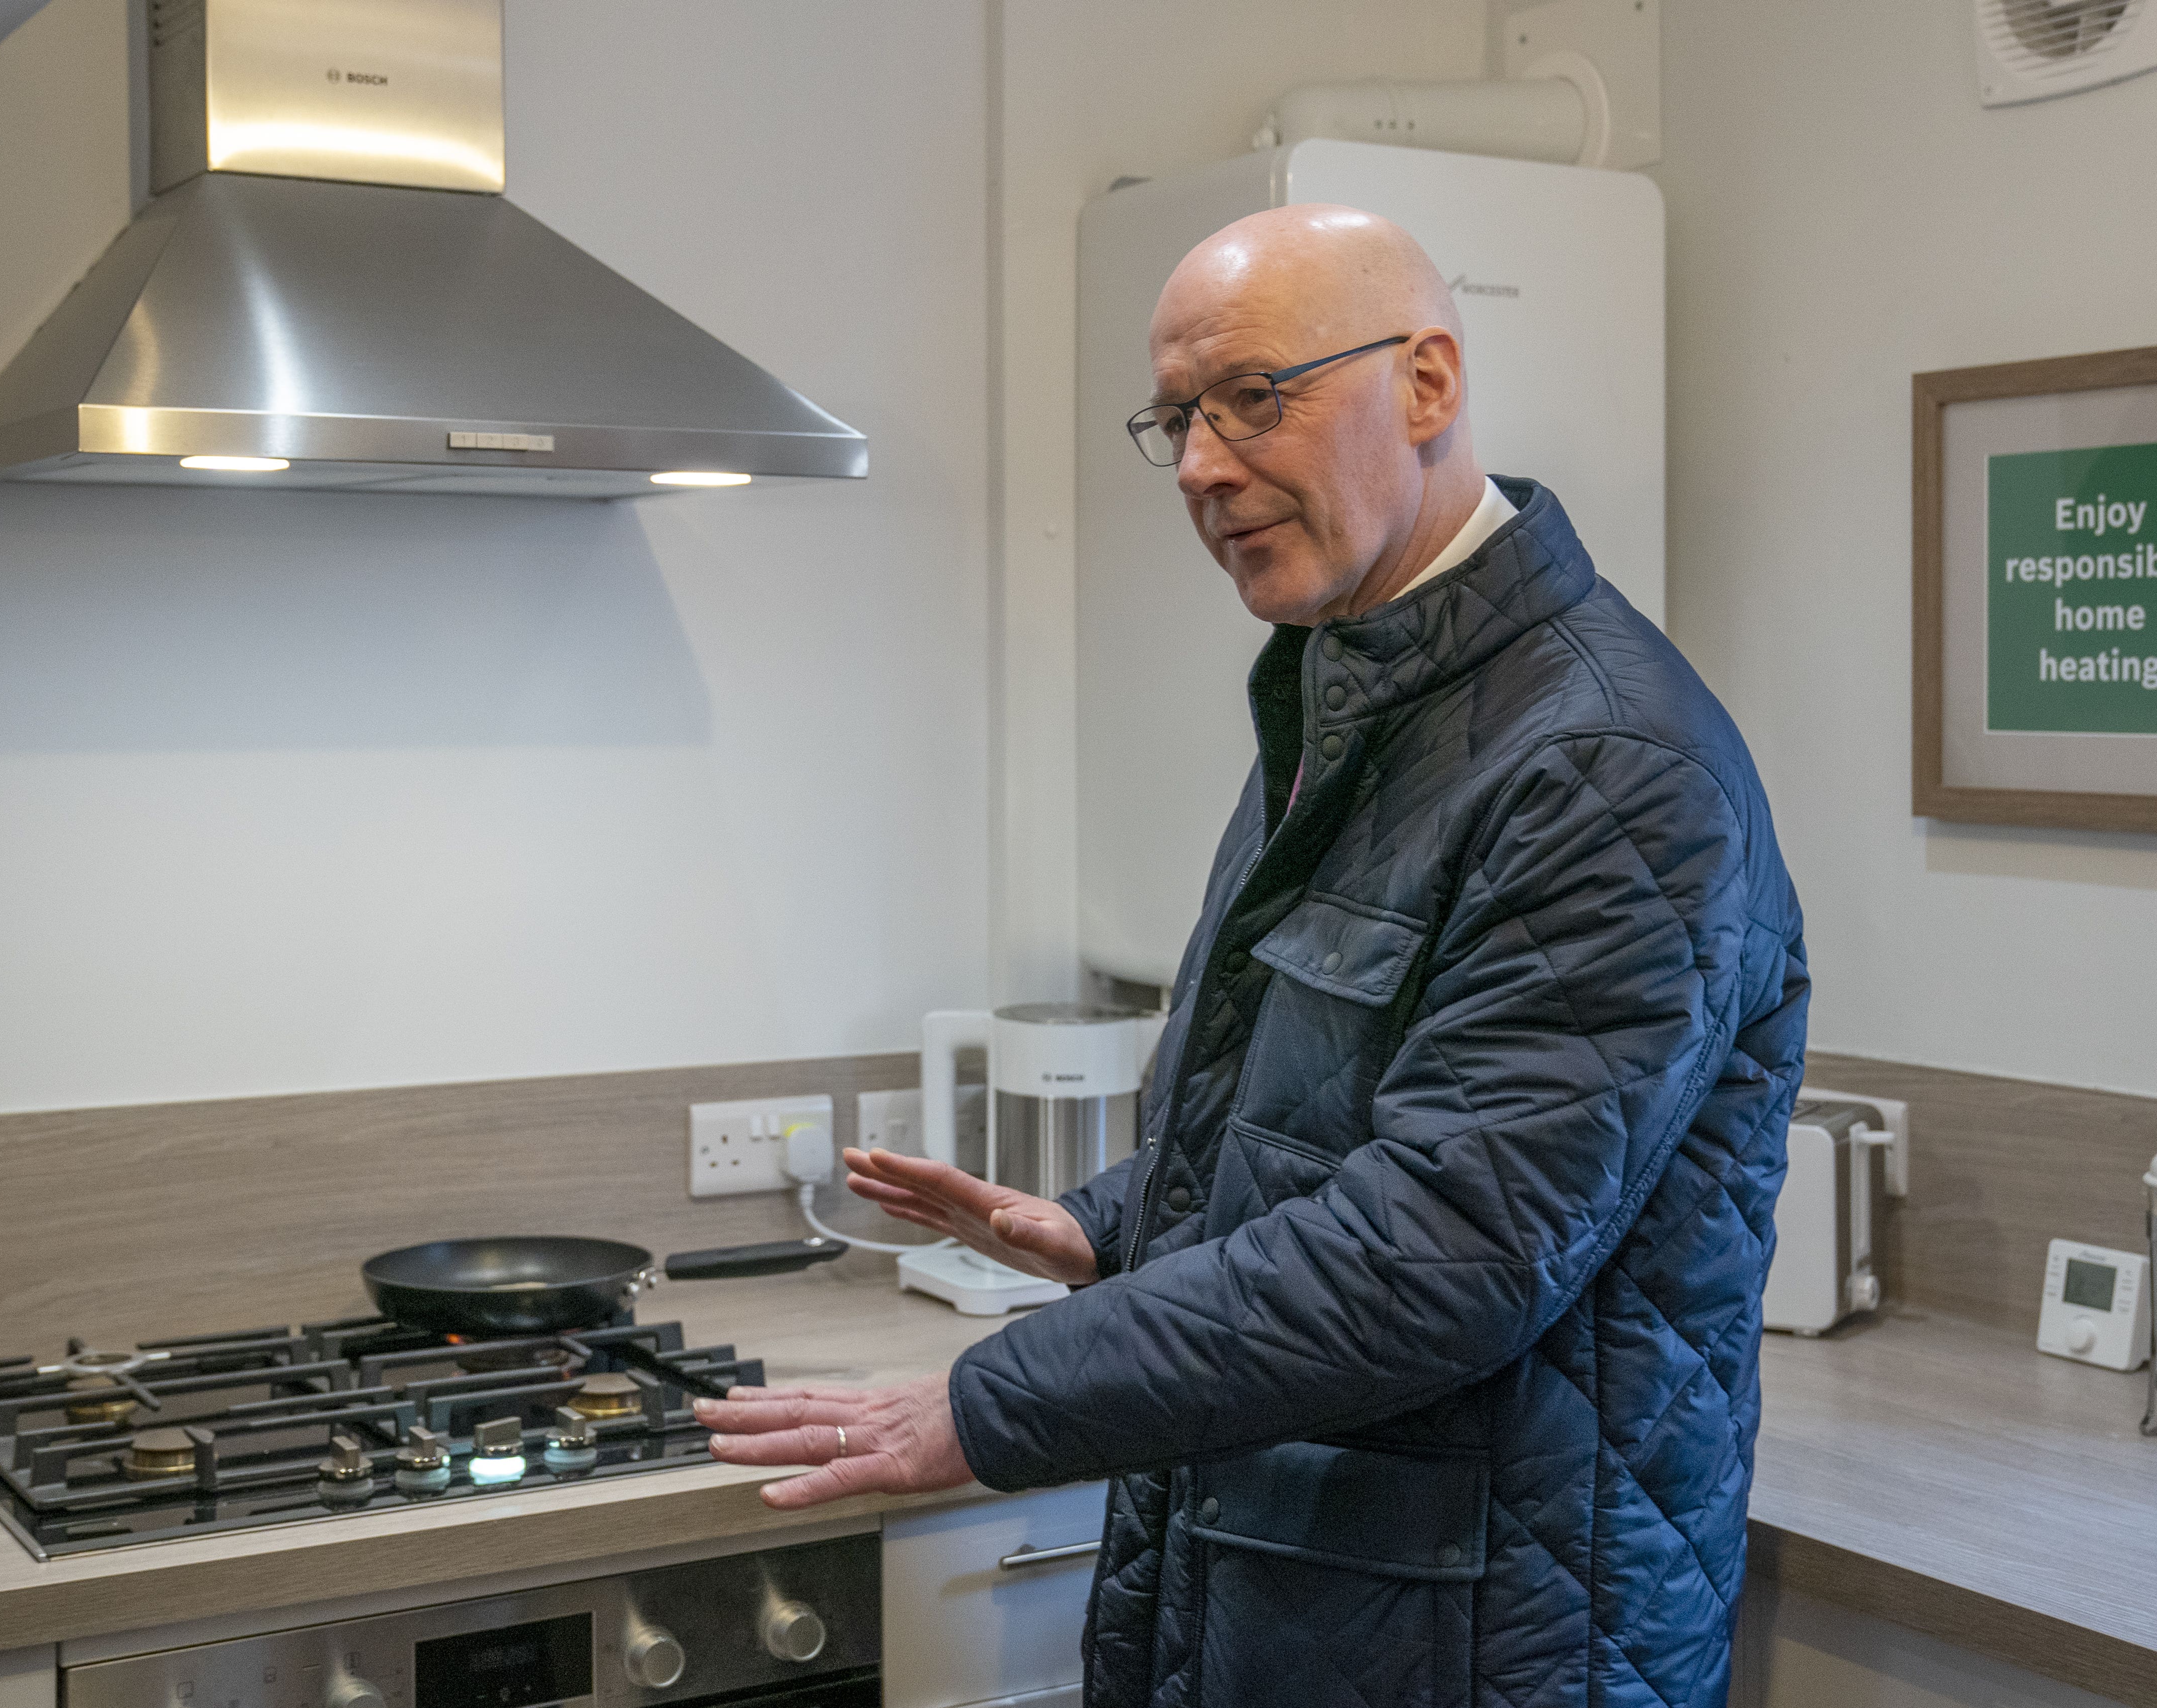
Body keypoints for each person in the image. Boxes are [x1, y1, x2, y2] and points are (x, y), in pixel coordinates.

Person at [700, 203, 1809, 1708]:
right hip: (1308, 1585)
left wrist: (992, 1398)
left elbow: (1443, 1249)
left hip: (1485, 1641)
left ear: (1425, 384)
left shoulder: (1603, 765)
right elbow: (1332, 1108)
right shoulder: (1357, 692)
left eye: (1254, 396)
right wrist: (1111, 1223)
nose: (1207, 465)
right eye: (1177, 419)